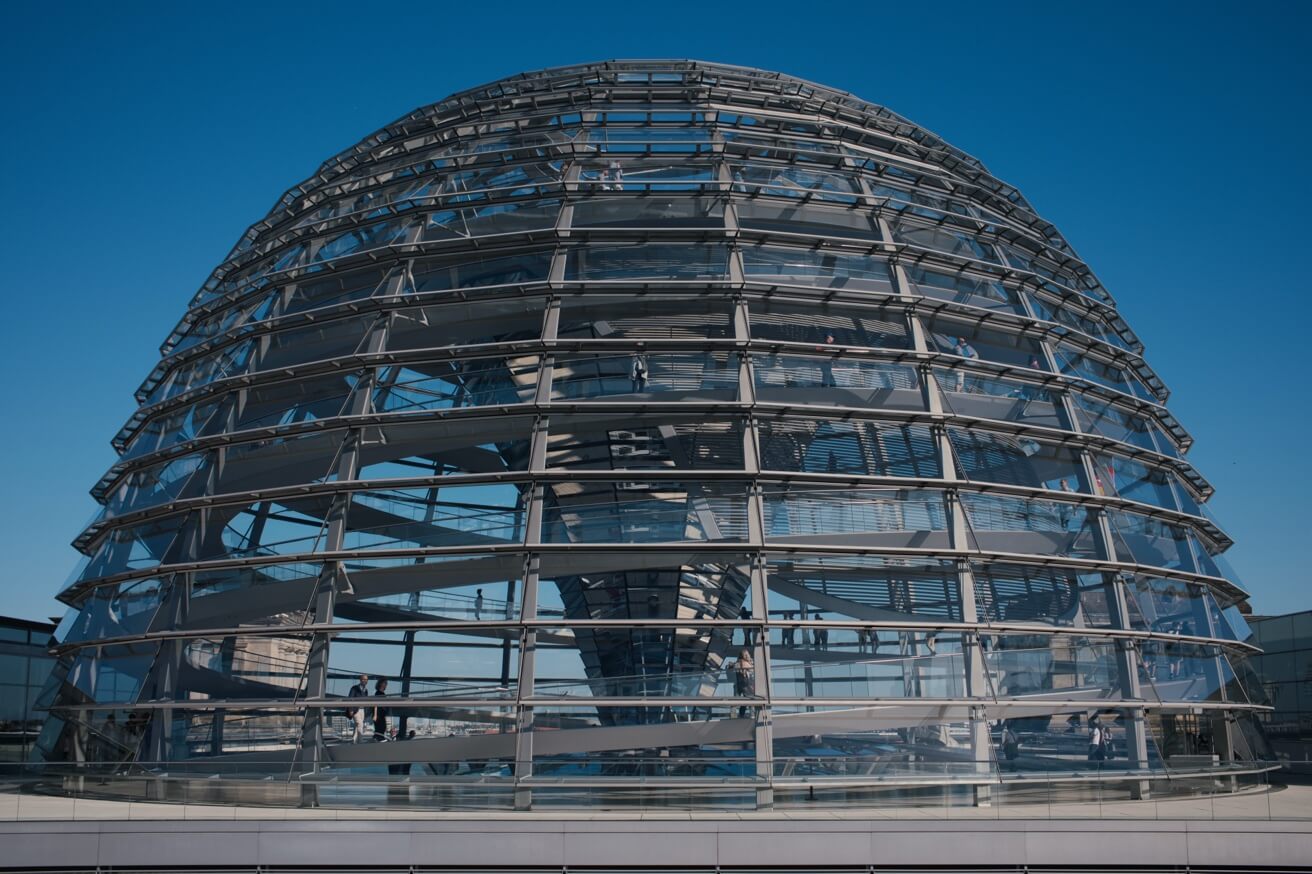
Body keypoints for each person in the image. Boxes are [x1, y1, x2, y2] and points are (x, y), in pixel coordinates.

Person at [346, 673, 369, 743]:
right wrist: (350, 709)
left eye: (367, 679)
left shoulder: (366, 690)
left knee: (357, 726)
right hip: (355, 710)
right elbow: (350, 699)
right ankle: (360, 741)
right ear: (360, 680)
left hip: (362, 710)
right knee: (360, 724)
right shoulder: (354, 688)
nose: (365, 681)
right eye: (364, 679)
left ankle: (353, 741)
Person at [733, 649, 755, 717]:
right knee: (751, 699)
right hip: (748, 684)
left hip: (739, 685)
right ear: (745, 655)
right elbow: (753, 670)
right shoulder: (746, 663)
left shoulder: (737, 663)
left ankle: (739, 715)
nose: (749, 655)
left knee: (743, 701)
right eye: (748, 654)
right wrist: (751, 663)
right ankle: (752, 714)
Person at [372, 678, 390, 742]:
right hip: (379, 714)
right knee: (380, 728)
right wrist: (375, 715)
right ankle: (378, 739)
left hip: (382, 714)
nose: (386, 685)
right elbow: (375, 704)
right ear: (380, 684)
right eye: (385, 683)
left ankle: (380, 739)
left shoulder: (383, 693)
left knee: (383, 727)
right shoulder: (378, 693)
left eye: (386, 683)